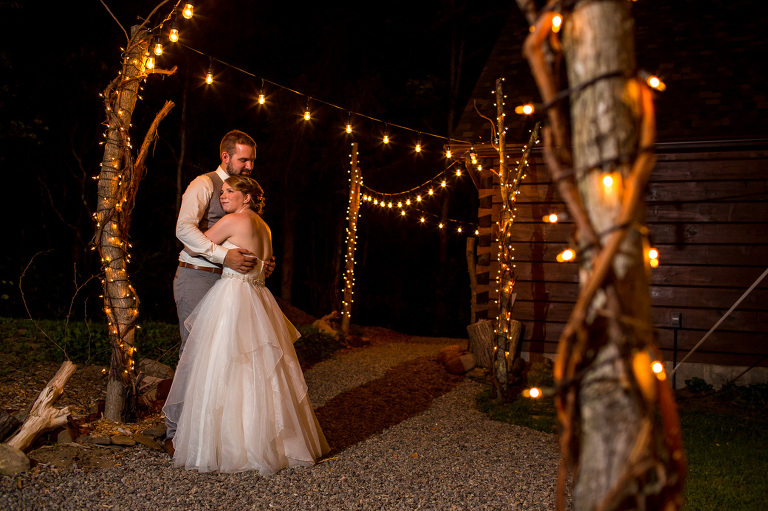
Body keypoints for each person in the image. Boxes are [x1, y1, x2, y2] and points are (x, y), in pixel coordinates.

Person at [163, 175, 329, 474]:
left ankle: (226, 445)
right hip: (259, 297)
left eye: (229, 192)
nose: (223, 196)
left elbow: (192, 247)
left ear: (247, 197)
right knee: (258, 368)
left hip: (233, 296)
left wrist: (213, 253)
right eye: (222, 191)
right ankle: (267, 441)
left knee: (224, 363)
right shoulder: (264, 227)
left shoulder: (233, 221)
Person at [167, 130, 273, 453]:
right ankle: (176, 433)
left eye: (252, 160)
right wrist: (222, 255)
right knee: (194, 355)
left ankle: (214, 433)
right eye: (243, 159)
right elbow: (183, 229)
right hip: (198, 276)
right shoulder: (204, 184)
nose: (249, 165)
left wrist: (260, 265)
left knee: (227, 358)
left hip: (230, 284)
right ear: (226, 156)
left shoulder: (242, 196)